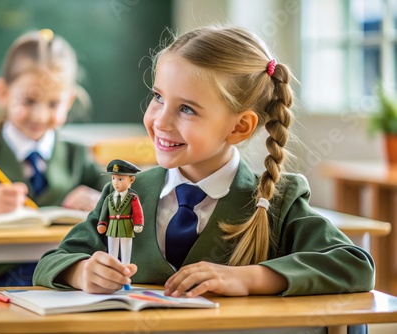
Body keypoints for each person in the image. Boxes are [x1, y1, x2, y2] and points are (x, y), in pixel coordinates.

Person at [33, 26, 374, 299]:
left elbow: (354, 265)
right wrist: (80, 273)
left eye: (187, 109)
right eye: (158, 97)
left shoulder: (277, 201)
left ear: (239, 127)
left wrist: (249, 279)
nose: (160, 121)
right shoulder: (123, 194)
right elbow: (50, 262)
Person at [0, 29, 106, 286]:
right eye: (29, 101)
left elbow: (120, 194)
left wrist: (97, 201)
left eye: (53, 104)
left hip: (62, 276)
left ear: (69, 101)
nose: (40, 116)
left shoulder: (76, 155)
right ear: (3, 93)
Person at [97, 159, 144, 281]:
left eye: (120, 179)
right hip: (112, 227)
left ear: (131, 180)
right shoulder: (109, 198)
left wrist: (138, 223)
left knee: (126, 251)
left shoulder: (132, 197)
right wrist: (102, 223)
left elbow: (137, 211)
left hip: (126, 226)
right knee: (112, 250)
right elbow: (104, 212)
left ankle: (126, 273)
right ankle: (112, 272)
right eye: (113, 178)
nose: (116, 183)